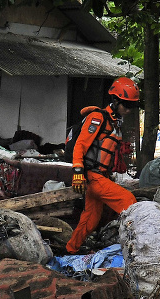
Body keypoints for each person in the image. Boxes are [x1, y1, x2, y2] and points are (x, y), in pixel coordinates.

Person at [66, 77, 140, 254]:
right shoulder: (97, 118)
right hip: (92, 176)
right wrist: (78, 172)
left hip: (100, 177)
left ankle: (70, 249)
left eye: (132, 106)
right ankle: (136, 249)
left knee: (90, 220)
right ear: (115, 101)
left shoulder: (114, 123)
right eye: (126, 105)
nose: (129, 109)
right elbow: (80, 146)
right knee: (129, 201)